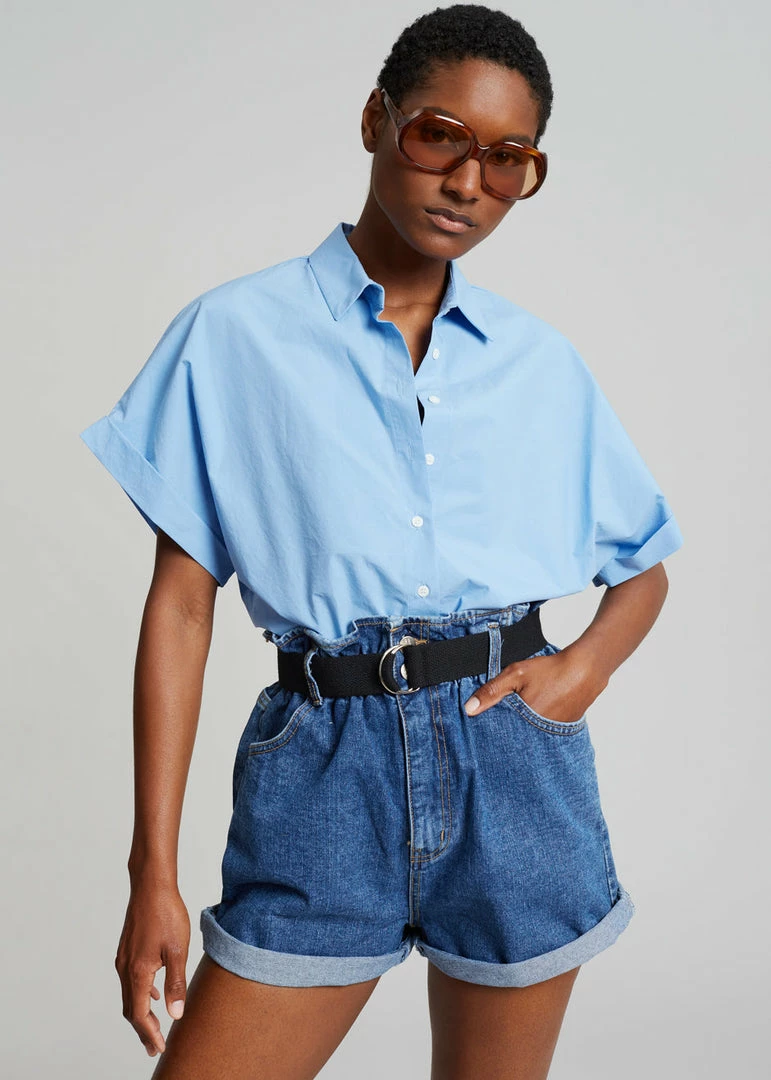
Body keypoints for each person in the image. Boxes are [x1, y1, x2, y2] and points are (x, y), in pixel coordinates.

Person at [79, 4, 683, 1077]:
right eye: (439, 136)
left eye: (508, 159)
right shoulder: (234, 334)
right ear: (376, 120)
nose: (468, 183)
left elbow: (643, 568)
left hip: (512, 766)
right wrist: (151, 873)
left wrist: (577, 674)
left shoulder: (537, 363)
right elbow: (180, 605)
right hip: (324, 771)